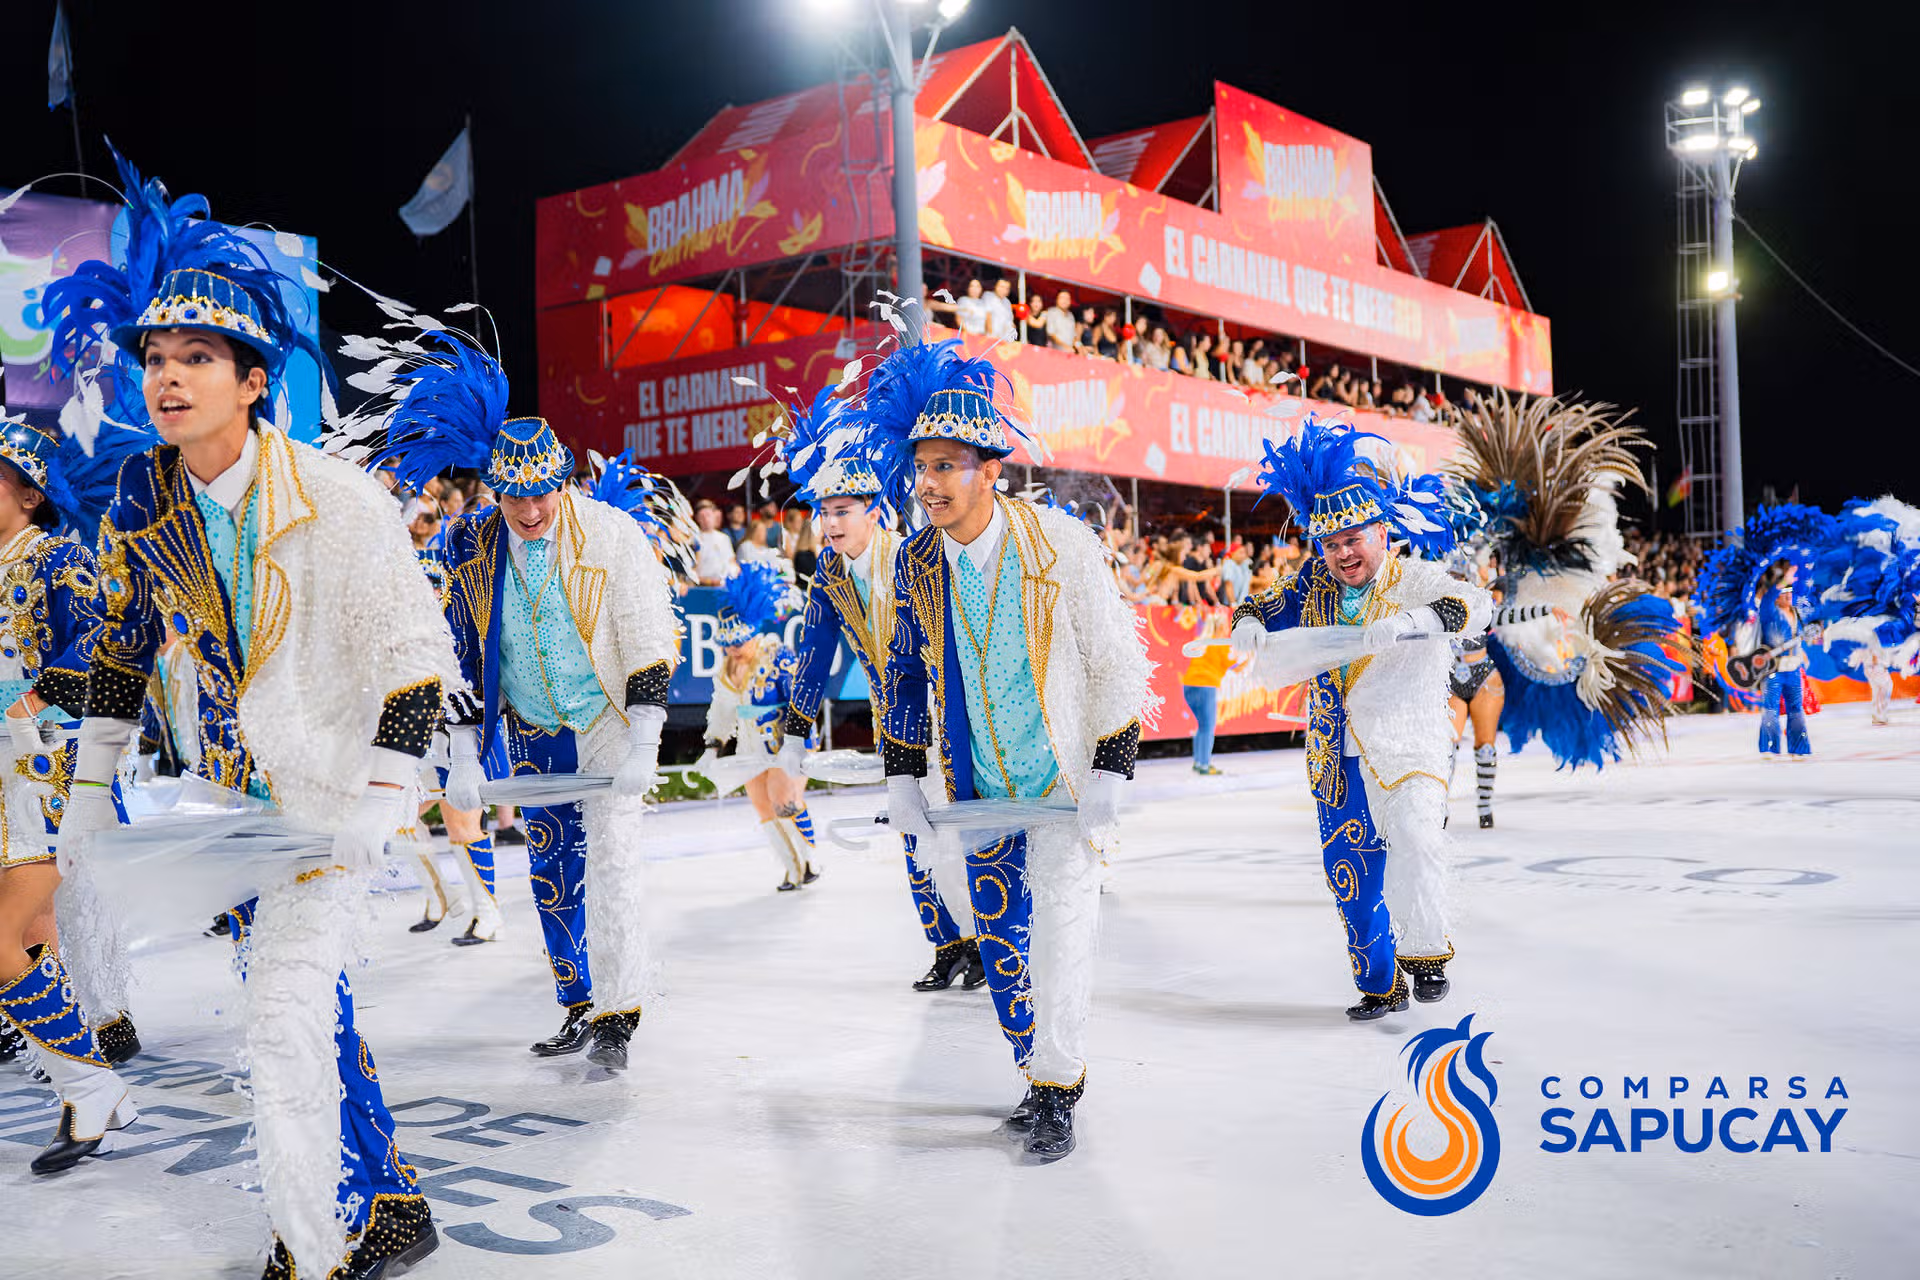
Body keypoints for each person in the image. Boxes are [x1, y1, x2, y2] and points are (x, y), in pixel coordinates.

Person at [44, 157, 457, 1277]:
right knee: (302, 1005)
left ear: (253, 379)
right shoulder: (143, 496)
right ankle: (391, 1202)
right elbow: (122, 652)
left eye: (198, 359)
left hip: (334, 794)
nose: (169, 380)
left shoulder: (339, 496)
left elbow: (417, 658)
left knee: (281, 1016)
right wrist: (89, 792)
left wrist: (382, 791)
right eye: (157, 361)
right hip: (232, 803)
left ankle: (313, 1241)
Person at [341, 328, 681, 1073]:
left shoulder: (614, 535)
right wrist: (464, 751)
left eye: (541, 493)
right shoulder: (471, 544)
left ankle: (621, 1009)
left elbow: (647, 633)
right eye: (514, 496)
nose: (529, 511)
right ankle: (578, 1001)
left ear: (563, 482)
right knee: (552, 866)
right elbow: (457, 651)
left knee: (615, 862)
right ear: (497, 489)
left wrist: (647, 736)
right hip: (529, 723)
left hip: (606, 717)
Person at [857, 333, 1153, 1163]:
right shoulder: (915, 562)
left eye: (947, 466)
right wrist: (905, 776)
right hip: (978, 787)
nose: (928, 484)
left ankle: (1058, 1087)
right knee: (1001, 939)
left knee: (1062, 937)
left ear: (993, 469)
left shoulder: (1061, 544)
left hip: (1060, 783)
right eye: (921, 468)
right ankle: (1036, 1071)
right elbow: (905, 673)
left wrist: (1111, 770)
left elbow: (1115, 660)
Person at [1230, 418, 1490, 1021]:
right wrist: (1247, 626)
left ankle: (1428, 952)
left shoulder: (1415, 578)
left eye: (1353, 538)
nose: (1342, 553)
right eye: (1330, 543)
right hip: (1334, 758)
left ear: (1383, 532)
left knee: (1417, 839)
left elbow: (1471, 604)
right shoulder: (1313, 582)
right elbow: (1260, 604)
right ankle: (1380, 984)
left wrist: (1412, 623)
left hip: (1410, 745)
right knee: (1352, 880)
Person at [772, 389, 982, 990]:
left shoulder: (914, 556)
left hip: (953, 714)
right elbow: (814, 660)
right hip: (896, 722)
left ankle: (990, 943)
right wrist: (794, 739)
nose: (829, 524)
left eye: (842, 511)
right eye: (823, 512)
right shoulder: (829, 575)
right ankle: (947, 946)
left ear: (874, 512)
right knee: (912, 827)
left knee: (963, 827)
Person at [0, 413, 151, 1169]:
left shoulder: (57, 554)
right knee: (28, 939)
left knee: (7, 938)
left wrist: (28, 702)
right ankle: (92, 1087)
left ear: (28, 494)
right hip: (1, 783)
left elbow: (101, 641)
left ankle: (92, 1086)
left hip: (46, 779)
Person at [704, 562, 818, 890]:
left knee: (785, 800)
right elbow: (722, 711)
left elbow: (801, 703)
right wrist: (713, 745)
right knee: (764, 807)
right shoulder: (726, 669)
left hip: (785, 743)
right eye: (726, 644)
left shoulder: (779, 656)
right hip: (751, 747)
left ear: (753, 633)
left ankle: (810, 861)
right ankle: (792, 868)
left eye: (737, 644)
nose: (731, 650)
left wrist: (802, 747)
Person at [1182, 610, 1233, 775]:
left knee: (1201, 726)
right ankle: (1204, 764)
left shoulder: (1201, 640)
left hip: (1189, 686)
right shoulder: (1220, 644)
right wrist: (1246, 656)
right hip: (1206, 686)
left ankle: (1199, 762)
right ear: (1221, 627)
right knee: (1207, 727)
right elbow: (1233, 665)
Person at [695, 498, 737, 584]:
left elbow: (731, 561)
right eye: (702, 516)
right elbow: (692, 570)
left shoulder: (724, 538)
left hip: (725, 585)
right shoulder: (694, 539)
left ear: (714, 515)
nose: (706, 519)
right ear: (697, 519)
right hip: (703, 586)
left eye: (708, 515)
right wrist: (710, 582)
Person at [984, 278, 1018, 343]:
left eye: (1007, 288)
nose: (1003, 290)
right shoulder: (988, 296)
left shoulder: (1007, 302)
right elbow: (987, 317)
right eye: (1001, 287)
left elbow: (1011, 323)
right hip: (991, 338)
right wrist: (991, 338)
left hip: (1004, 341)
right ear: (995, 286)